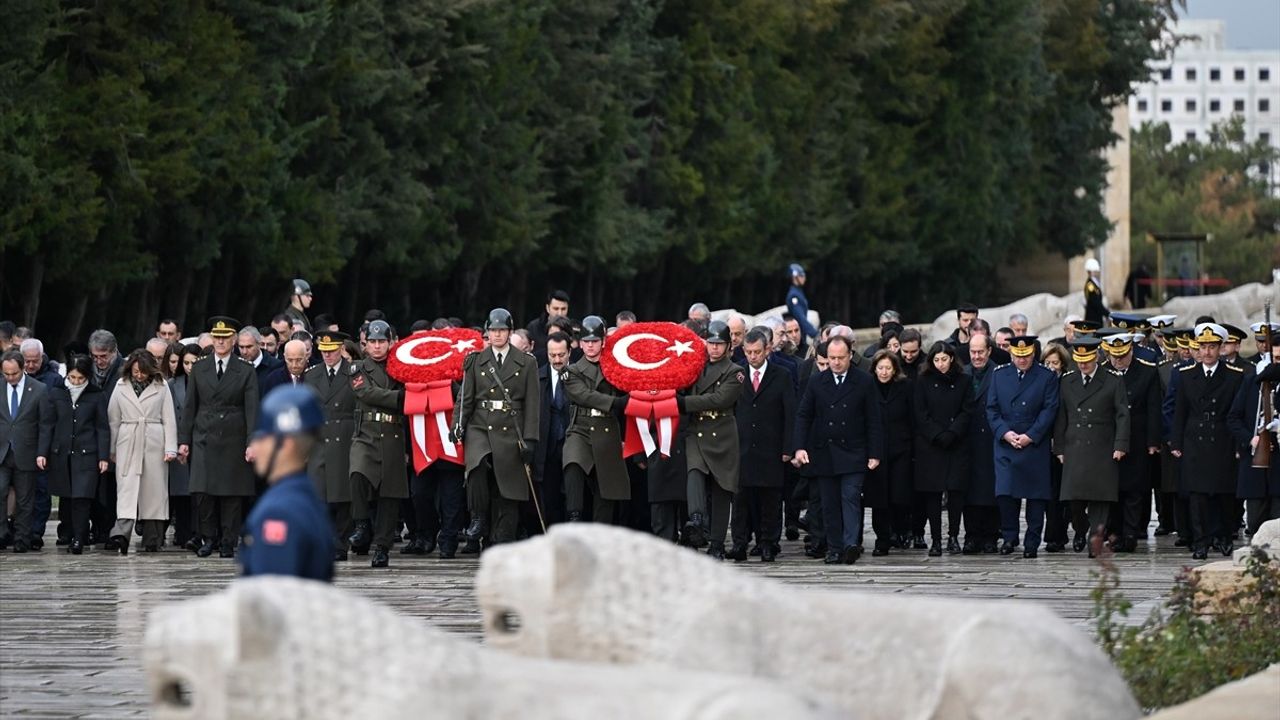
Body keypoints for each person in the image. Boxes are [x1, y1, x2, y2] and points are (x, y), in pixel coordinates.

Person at [793, 336, 884, 565]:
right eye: (831, 358)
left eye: (840, 358)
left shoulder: (864, 381)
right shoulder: (817, 381)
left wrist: (875, 453)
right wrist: (799, 447)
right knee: (829, 502)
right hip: (825, 451)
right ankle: (834, 548)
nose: (835, 362)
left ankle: (851, 544)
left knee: (851, 497)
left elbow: (874, 419)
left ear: (850, 356)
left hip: (854, 450)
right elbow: (804, 415)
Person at [178, 316, 260, 559]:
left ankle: (227, 540)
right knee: (203, 492)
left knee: (231, 494)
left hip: (233, 435)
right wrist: (184, 440)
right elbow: (190, 405)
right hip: (204, 434)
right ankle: (208, 537)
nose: (221, 341)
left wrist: (251, 441)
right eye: (217, 337)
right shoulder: (200, 368)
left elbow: (252, 409)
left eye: (225, 337)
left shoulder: (245, 370)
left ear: (234, 340)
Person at [458, 309, 540, 549]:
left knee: (508, 487)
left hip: (510, 428)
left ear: (510, 332)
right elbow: (465, 399)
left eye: (502, 330)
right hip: (480, 425)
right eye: (493, 330)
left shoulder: (526, 363)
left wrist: (531, 439)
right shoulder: (476, 360)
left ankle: (500, 541)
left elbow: (533, 404)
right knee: (476, 467)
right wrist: (457, 426)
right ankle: (478, 517)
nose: (497, 335)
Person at [240, 385, 335, 581]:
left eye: (261, 438)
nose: (255, 446)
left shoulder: (278, 512)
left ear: (286, 444)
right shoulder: (306, 497)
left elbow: (273, 599)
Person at [1171, 323, 1246, 560]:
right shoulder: (1185, 375)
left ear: (1221, 348)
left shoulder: (1235, 376)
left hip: (1222, 439)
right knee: (1197, 496)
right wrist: (1176, 443)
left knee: (1224, 494)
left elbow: (1238, 413)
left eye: (1212, 347)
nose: (1207, 352)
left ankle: (1223, 537)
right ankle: (1200, 542)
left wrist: (1237, 446)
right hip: (1195, 440)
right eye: (1203, 347)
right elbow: (1179, 411)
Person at [1054, 339, 1129, 558]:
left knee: (1100, 498)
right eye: (1079, 361)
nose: (1083, 365)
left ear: (1096, 356)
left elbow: (1122, 414)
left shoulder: (1113, 380)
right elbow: (1061, 416)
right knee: (1074, 499)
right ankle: (1081, 527)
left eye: (1087, 360)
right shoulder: (1067, 381)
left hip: (1102, 446)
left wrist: (1120, 444)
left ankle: (1094, 541)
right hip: (1074, 445)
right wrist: (1059, 447)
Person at [987, 336, 1059, 559]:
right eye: (1018, 356)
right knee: (1005, 494)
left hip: (1033, 442)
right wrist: (1005, 433)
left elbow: (1050, 409)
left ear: (1034, 354)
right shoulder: (999, 374)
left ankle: (1032, 541)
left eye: (1026, 356)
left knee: (1036, 497)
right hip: (1007, 442)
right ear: (1011, 355)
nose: (1022, 360)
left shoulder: (1046, 376)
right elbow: (991, 408)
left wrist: (1031, 436)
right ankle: (1009, 537)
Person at [678, 320, 744, 559]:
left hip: (722, 431)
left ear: (728, 346)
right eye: (711, 343)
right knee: (694, 471)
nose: (714, 348)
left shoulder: (735, 371)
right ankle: (696, 518)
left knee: (722, 489)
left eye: (719, 344)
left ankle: (717, 542)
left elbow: (719, 400)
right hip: (698, 428)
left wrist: (683, 403)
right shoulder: (696, 367)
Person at [729, 329, 796, 562]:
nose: (752, 357)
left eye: (757, 352)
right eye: (748, 352)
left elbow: (790, 413)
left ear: (767, 350)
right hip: (742, 447)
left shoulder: (782, 375)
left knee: (771, 500)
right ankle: (739, 543)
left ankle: (768, 543)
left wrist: (789, 448)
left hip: (771, 447)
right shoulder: (736, 373)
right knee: (740, 500)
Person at [346, 320, 408, 568]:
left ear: (390, 342)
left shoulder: (401, 368)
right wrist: (401, 398)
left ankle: (382, 547)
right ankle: (361, 524)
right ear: (365, 344)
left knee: (390, 495)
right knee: (358, 475)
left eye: (382, 341)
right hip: (366, 434)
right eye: (372, 341)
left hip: (393, 434)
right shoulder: (357, 367)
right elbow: (366, 393)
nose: (377, 346)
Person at [107, 350, 178, 554]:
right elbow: (113, 419)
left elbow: (169, 419)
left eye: (143, 372)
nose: (139, 375)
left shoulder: (162, 386)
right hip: (128, 438)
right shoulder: (120, 386)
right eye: (136, 371)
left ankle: (152, 538)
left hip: (154, 439)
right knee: (126, 490)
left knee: (154, 491)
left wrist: (170, 447)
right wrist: (112, 448)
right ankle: (121, 534)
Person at [561, 317, 630, 526]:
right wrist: (616, 402)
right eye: (586, 341)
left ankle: (602, 533)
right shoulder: (571, 370)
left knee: (606, 487)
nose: (590, 345)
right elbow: (582, 395)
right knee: (572, 464)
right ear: (580, 343)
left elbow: (629, 385)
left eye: (595, 341)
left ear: (603, 342)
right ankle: (574, 515)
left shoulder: (615, 368)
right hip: (580, 427)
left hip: (607, 428)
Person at [1100, 332, 1162, 552]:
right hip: (1108, 439)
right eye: (1114, 355)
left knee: (1135, 490)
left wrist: (1153, 441)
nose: (1118, 360)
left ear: (1131, 351)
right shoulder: (1103, 371)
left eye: (1122, 355)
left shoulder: (1147, 371)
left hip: (1137, 438)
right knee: (1112, 489)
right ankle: (1114, 533)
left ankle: (1130, 534)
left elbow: (1154, 408)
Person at [913, 341, 974, 557]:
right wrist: (937, 434)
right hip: (932, 445)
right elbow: (920, 413)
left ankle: (954, 537)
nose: (941, 364)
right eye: (936, 360)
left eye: (944, 359)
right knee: (933, 494)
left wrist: (952, 432)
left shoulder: (964, 380)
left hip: (957, 443)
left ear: (951, 359)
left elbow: (967, 411)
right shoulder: (923, 381)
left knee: (956, 492)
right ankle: (936, 540)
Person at [302, 331, 357, 560]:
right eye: (323, 351)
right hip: (319, 438)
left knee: (342, 495)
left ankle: (340, 544)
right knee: (319, 493)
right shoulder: (311, 375)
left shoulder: (353, 372)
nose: (327, 355)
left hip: (345, 435)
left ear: (341, 349)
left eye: (332, 351)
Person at [47, 356, 109, 555]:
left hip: (87, 453)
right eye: (72, 377)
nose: (75, 382)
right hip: (62, 453)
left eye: (80, 378)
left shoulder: (96, 395)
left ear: (87, 377)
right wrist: (43, 452)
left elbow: (102, 428)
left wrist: (103, 456)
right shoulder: (57, 393)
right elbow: (48, 424)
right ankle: (67, 533)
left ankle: (79, 539)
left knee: (82, 497)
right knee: (66, 495)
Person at [1227, 333, 1280, 535]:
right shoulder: (1252, 383)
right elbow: (1233, 418)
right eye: (1275, 360)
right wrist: (1252, 439)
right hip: (1256, 466)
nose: (1278, 365)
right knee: (1256, 526)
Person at [1, 350, 53, 552]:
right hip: (2, 450)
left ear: (23, 369)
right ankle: (2, 534)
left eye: (14, 373)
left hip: (27, 451)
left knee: (25, 498)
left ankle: (22, 538)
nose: (10, 378)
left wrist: (42, 452)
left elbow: (45, 424)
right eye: (6, 374)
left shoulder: (38, 389)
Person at [870, 349, 913, 555]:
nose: (884, 372)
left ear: (895, 369)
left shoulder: (905, 387)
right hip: (877, 451)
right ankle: (882, 539)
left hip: (900, 449)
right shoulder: (868, 387)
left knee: (899, 496)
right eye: (880, 368)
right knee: (880, 499)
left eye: (888, 368)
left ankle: (901, 531)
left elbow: (912, 418)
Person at [963, 334, 1001, 554]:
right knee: (970, 490)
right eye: (972, 352)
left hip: (991, 438)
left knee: (991, 488)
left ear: (989, 351)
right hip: (968, 439)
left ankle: (990, 535)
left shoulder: (999, 373)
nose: (976, 356)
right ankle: (971, 535)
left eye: (980, 352)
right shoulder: (963, 373)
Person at [534, 332, 573, 528]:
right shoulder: (537, 377)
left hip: (572, 444)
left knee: (572, 496)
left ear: (569, 352)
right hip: (546, 446)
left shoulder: (578, 376)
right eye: (552, 355)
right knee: (549, 497)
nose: (557, 360)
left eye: (561, 355)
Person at [166, 343, 200, 550]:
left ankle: (198, 532)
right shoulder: (172, 384)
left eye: (193, 363)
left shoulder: (206, 382)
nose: (189, 367)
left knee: (199, 490)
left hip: (201, 439)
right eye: (185, 363)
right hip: (180, 439)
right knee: (180, 491)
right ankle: (182, 532)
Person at [237, 327, 282, 393]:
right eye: (241, 347)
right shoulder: (233, 366)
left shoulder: (277, 366)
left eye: (249, 347)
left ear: (259, 344)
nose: (244, 352)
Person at [784, 264, 818, 340]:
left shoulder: (798, 292)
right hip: (797, 337)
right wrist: (815, 334)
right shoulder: (794, 295)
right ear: (794, 277)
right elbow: (800, 318)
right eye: (801, 276)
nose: (804, 278)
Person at [1084, 258, 1108, 325]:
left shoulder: (1095, 282)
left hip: (1097, 316)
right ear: (1090, 271)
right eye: (1095, 271)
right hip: (1093, 318)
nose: (1097, 272)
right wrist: (1107, 313)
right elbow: (1095, 302)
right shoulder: (1090, 285)